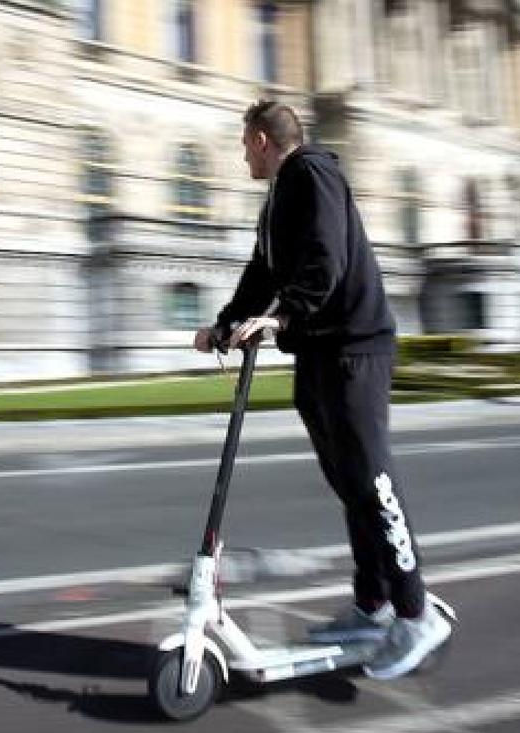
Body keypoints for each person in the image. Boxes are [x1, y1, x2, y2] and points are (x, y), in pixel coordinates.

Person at [193, 100, 450, 679]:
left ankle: (415, 613)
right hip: (319, 351)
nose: (242, 157)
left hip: (355, 349)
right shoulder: (279, 198)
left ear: (262, 139)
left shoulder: (312, 173)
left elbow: (324, 262)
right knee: (351, 485)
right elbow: (262, 273)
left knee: (374, 480)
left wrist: (283, 319)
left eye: (243, 146)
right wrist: (227, 325)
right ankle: (373, 603)